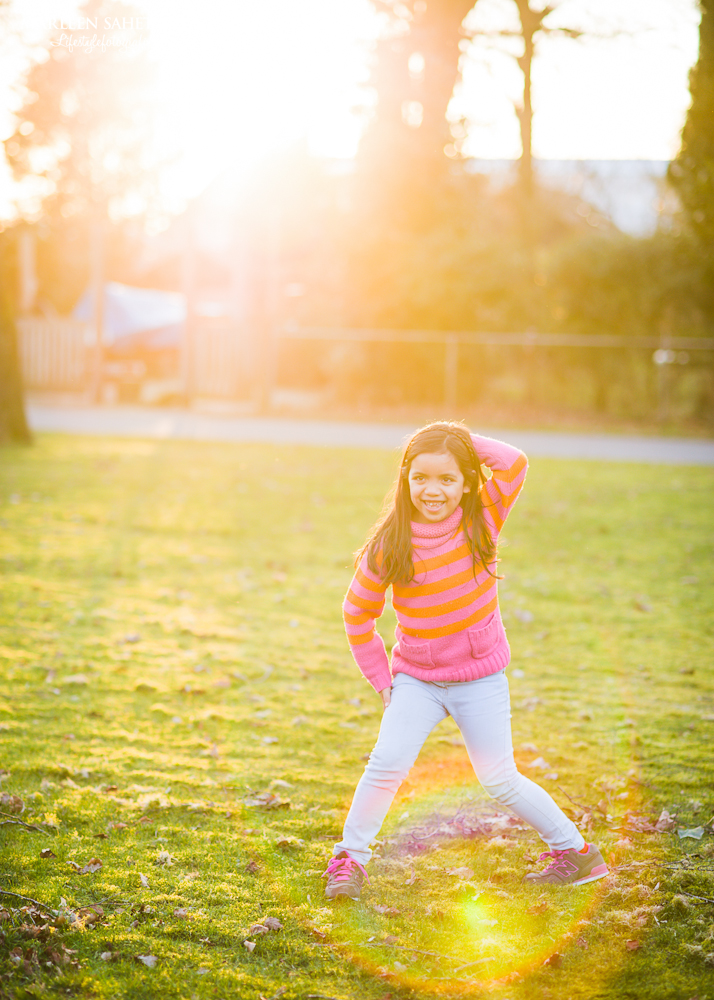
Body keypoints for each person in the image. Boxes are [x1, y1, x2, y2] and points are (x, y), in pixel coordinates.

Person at [322, 421, 607, 900]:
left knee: (499, 778)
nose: (432, 490)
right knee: (386, 762)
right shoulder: (388, 546)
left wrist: (449, 436)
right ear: (405, 480)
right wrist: (381, 679)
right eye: (420, 478)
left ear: (467, 482)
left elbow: (514, 462)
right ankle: (350, 860)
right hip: (417, 679)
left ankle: (576, 854)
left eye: (447, 478)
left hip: (481, 678)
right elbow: (357, 615)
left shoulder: (484, 518)